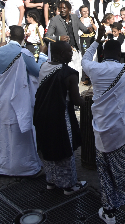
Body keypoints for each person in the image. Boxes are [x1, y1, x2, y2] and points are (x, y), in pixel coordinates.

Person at [82, 29, 125, 224]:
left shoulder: (94, 69)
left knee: (106, 171)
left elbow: (84, 58)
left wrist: (96, 40)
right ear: (120, 55)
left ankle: (109, 212)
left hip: (103, 130)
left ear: (102, 54)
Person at [0, 25, 46, 177]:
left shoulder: (0, 51)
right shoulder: (24, 53)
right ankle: (24, 167)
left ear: (9, 36)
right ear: (24, 38)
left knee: (5, 130)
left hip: (3, 95)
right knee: (22, 128)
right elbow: (37, 71)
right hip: (19, 95)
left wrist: (6, 80)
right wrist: (42, 56)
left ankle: (3, 166)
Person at [34, 41, 87, 193]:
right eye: (70, 52)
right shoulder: (69, 74)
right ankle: (69, 186)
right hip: (59, 116)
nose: (72, 54)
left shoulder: (44, 66)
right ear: (62, 55)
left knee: (48, 146)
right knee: (64, 148)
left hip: (42, 114)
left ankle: (51, 181)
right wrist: (91, 103)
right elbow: (76, 100)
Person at [45, 0, 90, 75]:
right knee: (68, 77)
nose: (62, 10)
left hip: (75, 51)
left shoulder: (75, 17)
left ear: (69, 9)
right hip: (63, 53)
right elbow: (47, 37)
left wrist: (90, 29)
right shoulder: (55, 20)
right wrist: (59, 38)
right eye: (60, 8)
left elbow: (84, 29)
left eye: (64, 8)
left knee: (78, 74)